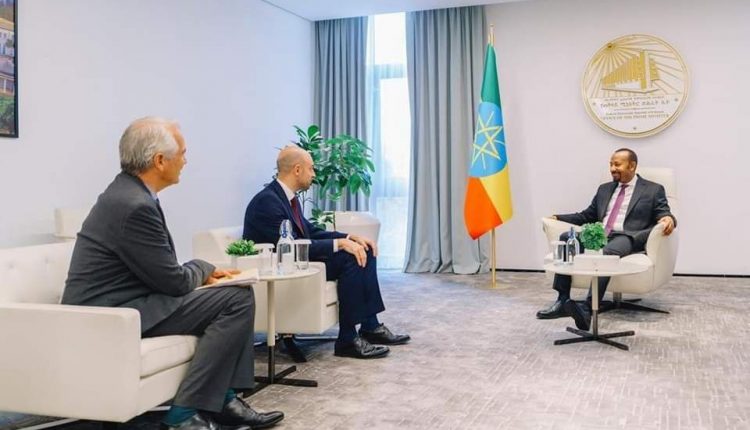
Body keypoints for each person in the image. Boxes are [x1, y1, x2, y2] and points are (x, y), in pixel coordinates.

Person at [61, 117, 284, 430]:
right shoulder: (134, 205)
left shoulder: (130, 193)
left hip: (128, 303)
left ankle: (223, 399)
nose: (185, 160)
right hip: (112, 316)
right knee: (236, 299)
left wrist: (200, 275)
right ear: (159, 161)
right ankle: (185, 415)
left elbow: (161, 272)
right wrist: (204, 267)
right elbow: (175, 282)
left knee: (234, 294)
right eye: (182, 153)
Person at [243, 145, 410, 359]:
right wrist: (339, 244)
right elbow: (291, 245)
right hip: (282, 266)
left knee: (364, 250)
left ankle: (370, 326)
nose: (314, 174)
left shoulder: (287, 198)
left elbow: (310, 231)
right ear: (297, 170)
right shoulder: (267, 202)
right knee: (349, 258)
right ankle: (348, 340)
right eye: (311, 168)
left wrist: (348, 237)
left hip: (298, 260)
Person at [536, 148, 676, 330]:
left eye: (617, 164)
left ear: (632, 166)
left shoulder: (653, 189)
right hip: (600, 234)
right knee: (566, 238)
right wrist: (558, 217)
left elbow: (663, 212)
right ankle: (562, 300)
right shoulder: (605, 189)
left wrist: (668, 219)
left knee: (607, 254)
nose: (612, 168)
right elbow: (587, 215)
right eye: (610, 164)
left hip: (627, 236)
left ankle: (587, 308)